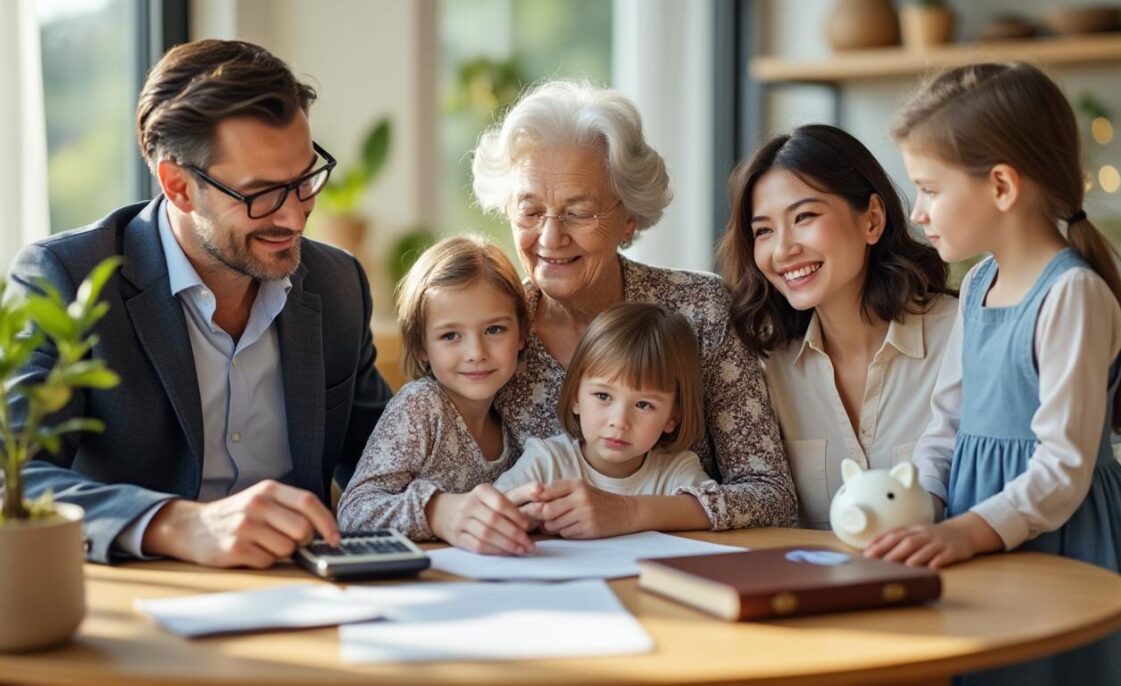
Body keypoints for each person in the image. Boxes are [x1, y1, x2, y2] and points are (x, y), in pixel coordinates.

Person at [5, 39, 392, 567]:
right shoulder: (68, 279)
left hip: (311, 598)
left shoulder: (337, 282)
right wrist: (176, 523)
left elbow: (389, 463)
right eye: (261, 194)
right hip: (145, 606)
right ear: (179, 186)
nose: (296, 219)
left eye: (304, 181)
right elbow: (13, 478)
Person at [866, 62, 1121, 684]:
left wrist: (967, 532)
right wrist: (925, 506)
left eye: (931, 189)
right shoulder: (978, 283)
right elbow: (949, 423)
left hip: (1068, 546)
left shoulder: (1072, 296)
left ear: (1002, 187)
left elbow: (1063, 466)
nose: (920, 211)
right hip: (979, 526)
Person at [466, 80, 797, 550]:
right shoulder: (487, 333)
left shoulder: (700, 309)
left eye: (578, 213)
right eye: (531, 212)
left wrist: (630, 512)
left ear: (628, 219)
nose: (550, 238)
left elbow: (770, 495)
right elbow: (452, 493)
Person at [718, 124, 956, 529]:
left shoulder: (962, 335)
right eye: (763, 231)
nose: (783, 250)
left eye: (804, 216)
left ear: (872, 221)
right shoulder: (765, 368)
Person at [338, 235, 544, 555]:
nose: (476, 352)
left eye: (494, 329)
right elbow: (354, 512)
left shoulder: (514, 413)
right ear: (421, 345)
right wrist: (436, 513)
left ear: (521, 332)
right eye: (450, 335)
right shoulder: (421, 406)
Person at [494, 303, 716, 526]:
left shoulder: (677, 472)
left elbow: (721, 510)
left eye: (643, 405)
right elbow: (493, 515)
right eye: (603, 396)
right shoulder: (546, 461)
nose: (619, 422)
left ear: (672, 417)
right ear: (575, 397)